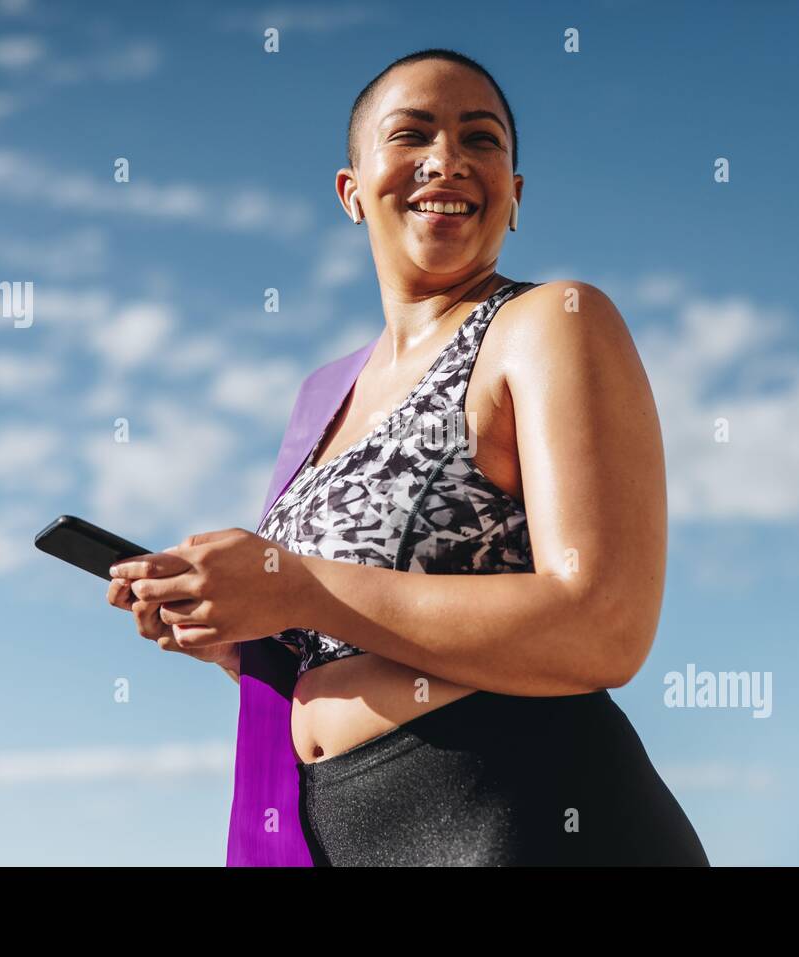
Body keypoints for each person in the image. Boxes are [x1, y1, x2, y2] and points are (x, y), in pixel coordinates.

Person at [107, 48, 709, 867]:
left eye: (481, 139)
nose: (448, 159)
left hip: (519, 817)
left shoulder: (546, 322)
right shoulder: (322, 394)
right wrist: (241, 629)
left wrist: (293, 581)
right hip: (342, 832)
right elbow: (348, 632)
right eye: (413, 133)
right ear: (352, 191)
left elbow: (604, 624)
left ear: (516, 196)